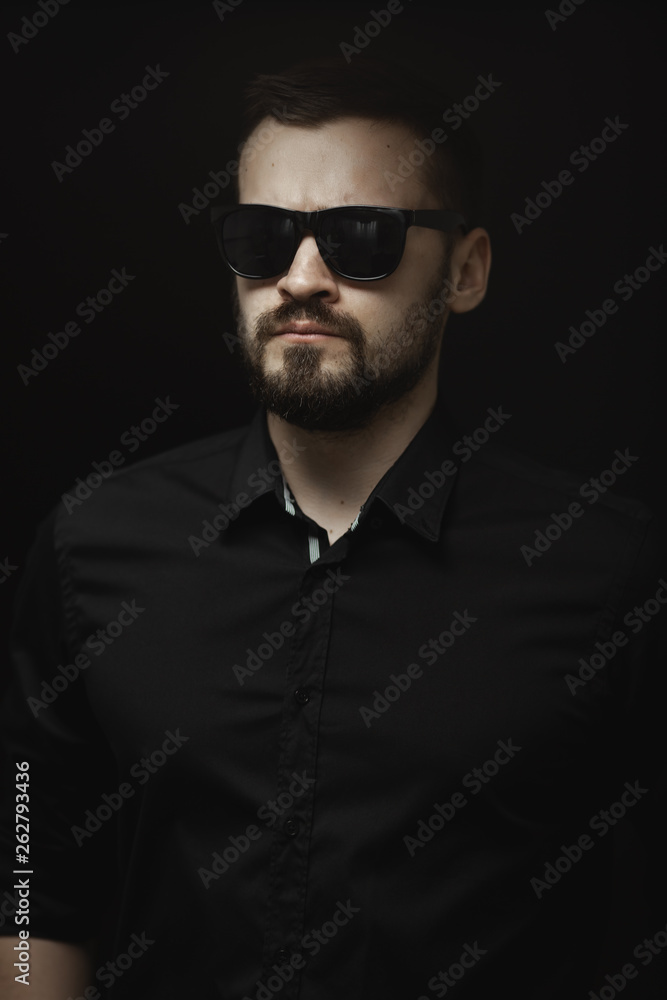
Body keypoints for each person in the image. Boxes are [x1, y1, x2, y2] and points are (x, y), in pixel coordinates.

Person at [0, 55, 664, 999]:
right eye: (262, 236)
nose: (300, 278)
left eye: (361, 236)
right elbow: (30, 892)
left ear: (466, 269)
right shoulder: (91, 546)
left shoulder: (608, 570)